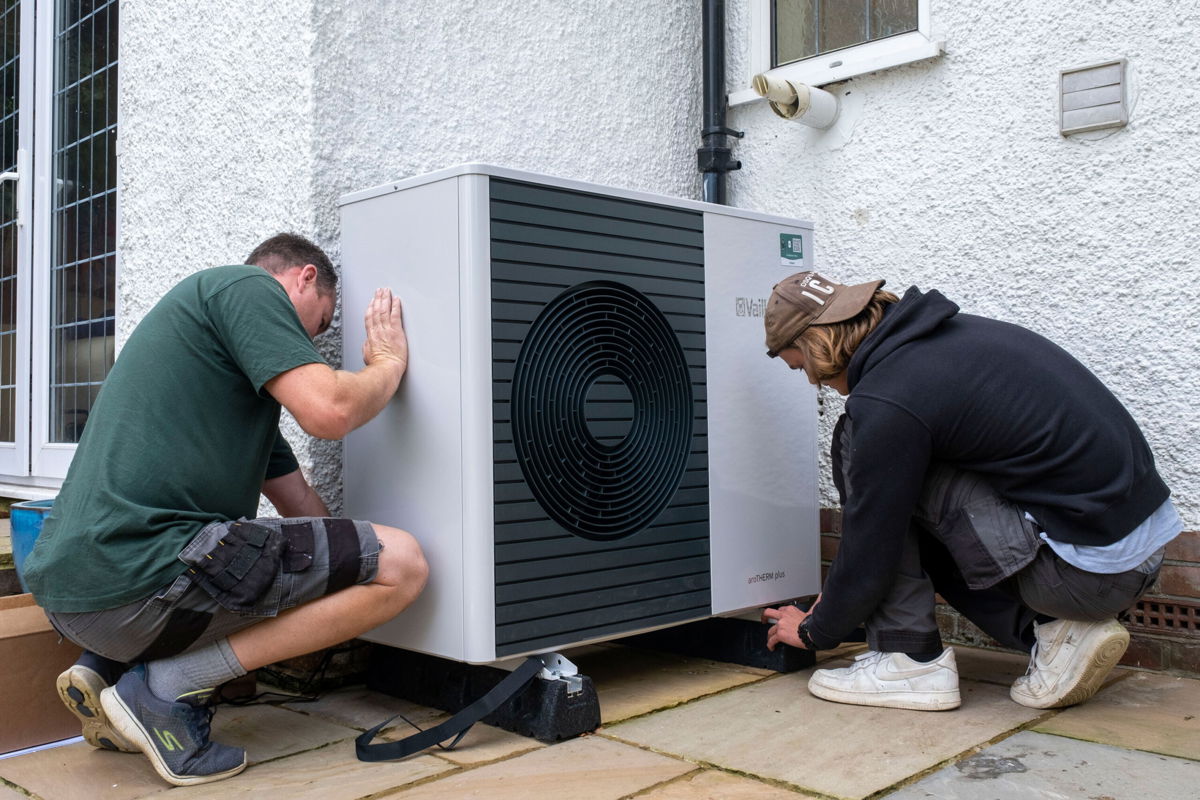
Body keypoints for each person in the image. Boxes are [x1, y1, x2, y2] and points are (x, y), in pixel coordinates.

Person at [22, 233, 429, 785]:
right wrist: (386, 364)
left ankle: (107, 668)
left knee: (312, 560)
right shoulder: (245, 286)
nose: (315, 337)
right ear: (303, 277)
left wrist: (345, 571)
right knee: (402, 564)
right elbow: (330, 411)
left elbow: (302, 507)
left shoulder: (235, 394)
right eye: (323, 321)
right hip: (135, 581)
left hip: (80, 591)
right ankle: (163, 692)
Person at [759, 271, 1180, 712]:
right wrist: (845, 597)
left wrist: (817, 630)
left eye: (801, 366)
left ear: (816, 345)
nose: (814, 383)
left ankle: (909, 662)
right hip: (1130, 558)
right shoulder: (947, 341)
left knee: (858, 445)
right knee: (895, 480)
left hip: (1085, 577)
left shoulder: (889, 399)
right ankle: (1054, 635)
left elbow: (873, 537)